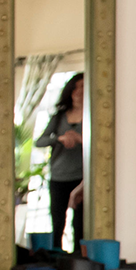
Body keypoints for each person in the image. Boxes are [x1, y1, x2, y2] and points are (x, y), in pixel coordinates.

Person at [34, 72, 85, 251]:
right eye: (77, 87)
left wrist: (81, 139)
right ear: (70, 91)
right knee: (58, 224)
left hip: (81, 179)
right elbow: (39, 141)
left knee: (80, 226)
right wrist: (59, 139)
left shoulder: (93, 117)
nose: (80, 92)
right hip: (58, 178)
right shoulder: (58, 118)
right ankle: (58, 260)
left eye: (84, 87)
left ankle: (79, 262)